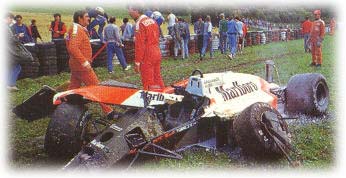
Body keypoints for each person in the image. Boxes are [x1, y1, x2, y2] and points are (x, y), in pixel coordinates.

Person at [65, 10, 118, 120]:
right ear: (79, 18)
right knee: (96, 88)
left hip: (76, 65)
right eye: (87, 17)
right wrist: (84, 62)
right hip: (82, 67)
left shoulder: (77, 28)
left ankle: (64, 106)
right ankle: (109, 112)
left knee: (73, 88)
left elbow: (70, 45)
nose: (89, 18)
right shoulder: (77, 29)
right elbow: (72, 47)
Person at [128, 5, 165, 91]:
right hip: (157, 51)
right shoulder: (153, 21)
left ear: (136, 10)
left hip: (147, 54)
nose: (129, 13)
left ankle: (151, 101)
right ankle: (162, 95)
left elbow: (140, 45)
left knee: (148, 81)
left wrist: (137, 62)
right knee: (157, 77)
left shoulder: (139, 23)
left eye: (130, 10)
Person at [6, 13, 34, 91]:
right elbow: (10, 39)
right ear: (8, 17)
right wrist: (18, 36)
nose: (11, 21)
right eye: (11, 19)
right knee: (16, 67)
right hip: (10, 50)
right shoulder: (6, 27)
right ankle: (11, 85)